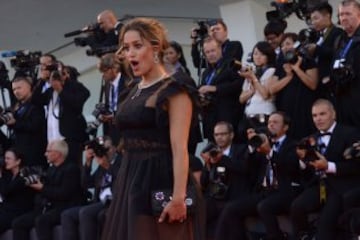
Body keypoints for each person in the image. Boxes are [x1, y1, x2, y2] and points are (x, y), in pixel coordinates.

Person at [100, 17, 204, 240]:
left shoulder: (175, 89)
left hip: (160, 177)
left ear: (155, 47)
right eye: (126, 48)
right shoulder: (130, 91)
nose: (131, 54)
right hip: (130, 177)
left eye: (138, 46)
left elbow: (179, 148)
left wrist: (178, 198)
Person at [214, 111, 300, 240]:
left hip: (283, 191)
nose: (271, 125)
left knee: (264, 207)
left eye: (275, 122)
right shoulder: (263, 143)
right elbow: (248, 168)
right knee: (231, 208)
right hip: (263, 192)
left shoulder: (293, 145)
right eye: (269, 122)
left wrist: (270, 153)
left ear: (285, 127)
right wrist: (252, 147)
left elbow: (291, 167)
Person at [290, 99, 360, 240]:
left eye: (322, 114)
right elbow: (304, 172)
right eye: (314, 115)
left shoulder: (350, 133)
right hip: (319, 186)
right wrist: (303, 161)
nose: (318, 119)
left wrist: (329, 166)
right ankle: (305, 236)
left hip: (340, 187)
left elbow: (356, 166)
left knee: (325, 224)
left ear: (333, 114)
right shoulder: (309, 139)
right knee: (296, 207)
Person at [12, 139, 83, 240]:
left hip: (64, 207)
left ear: (58, 154)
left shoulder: (71, 169)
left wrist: (42, 188)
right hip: (47, 207)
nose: (45, 154)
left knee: (42, 221)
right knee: (18, 223)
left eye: (48, 151)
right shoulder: (51, 169)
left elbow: (64, 193)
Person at [61, 136, 121, 240]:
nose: (106, 152)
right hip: (99, 202)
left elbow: (121, 183)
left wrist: (108, 167)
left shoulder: (120, 162)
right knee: (67, 215)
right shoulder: (101, 165)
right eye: (103, 149)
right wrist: (88, 162)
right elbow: (86, 184)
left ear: (115, 148)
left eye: (108, 149)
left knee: (86, 212)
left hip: (113, 202)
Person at [200, 121, 250, 239]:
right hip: (215, 195)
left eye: (223, 134)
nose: (219, 138)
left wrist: (222, 159)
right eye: (216, 135)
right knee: (200, 209)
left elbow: (244, 169)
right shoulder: (212, 152)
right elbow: (203, 182)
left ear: (231, 135)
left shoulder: (242, 149)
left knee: (226, 213)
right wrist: (207, 164)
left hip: (235, 195)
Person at [34, 70, 90, 165]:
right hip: (52, 139)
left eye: (61, 74)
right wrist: (42, 80)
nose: (57, 77)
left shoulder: (74, 88)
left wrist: (61, 89)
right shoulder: (51, 90)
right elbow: (35, 100)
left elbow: (77, 103)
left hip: (69, 139)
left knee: (71, 169)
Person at [268, 32, 318, 140]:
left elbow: (313, 84)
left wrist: (296, 69)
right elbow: (272, 89)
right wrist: (289, 76)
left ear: (297, 45)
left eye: (288, 44)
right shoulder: (281, 65)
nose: (285, 47)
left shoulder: (307, 61)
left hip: (305, 110)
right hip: (286, 111)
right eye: (282, 46)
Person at [198, 37, 243, 142]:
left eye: (213, 50)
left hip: (228, 116)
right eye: (207, 52)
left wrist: (215, 88)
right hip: (210, 119)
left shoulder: (231, 64)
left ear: (220, 49)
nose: (210, 54)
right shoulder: (206, 72)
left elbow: (239, 84)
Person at [238, 41, 277, 140]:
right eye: (255, 54)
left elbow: (265, 94)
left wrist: (254, 79)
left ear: (268, 56)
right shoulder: (251, 72)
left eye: (262, 54)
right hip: (248, 116)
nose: (258, 57)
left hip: (263, 116)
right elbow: (241, 99)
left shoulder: (271, 71)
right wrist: (251, 92)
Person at [5, 76, 47, 168]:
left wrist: (15, 123)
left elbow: (35, 126)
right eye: (14, 89)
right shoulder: (18, 107)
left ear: (29, 87)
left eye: (19, 88)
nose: (16, 92)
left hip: (34, 156)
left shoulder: (36, 104)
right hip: (20, 155)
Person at [306, 2, 344, 101]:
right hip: (318, 83)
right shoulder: (316, 36)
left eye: (316, 18)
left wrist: (317, 49)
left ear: (327, 16)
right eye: (311, 19)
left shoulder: (338, 33)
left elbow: (339, 53)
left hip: (331, 82)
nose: (313, 22)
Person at [331, 0, 360, 129]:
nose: (344, 18)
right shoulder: (339, 39)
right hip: (341, 94)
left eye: (348, 14)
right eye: (341, 15)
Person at [96, 53, 133, 145]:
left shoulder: (128, 82)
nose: (103, 75)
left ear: (114, 68)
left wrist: (115, 115)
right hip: (113, 128)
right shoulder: (108, 85)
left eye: (105, 71)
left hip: (127, 127)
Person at [0, 148, 35, 234]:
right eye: (5, 158)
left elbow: (6, 191)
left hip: (20, 212)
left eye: (8, 158)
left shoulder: (24, 175)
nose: (5, 161)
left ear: (18, 161)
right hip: (8, 210)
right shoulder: (9, 176)